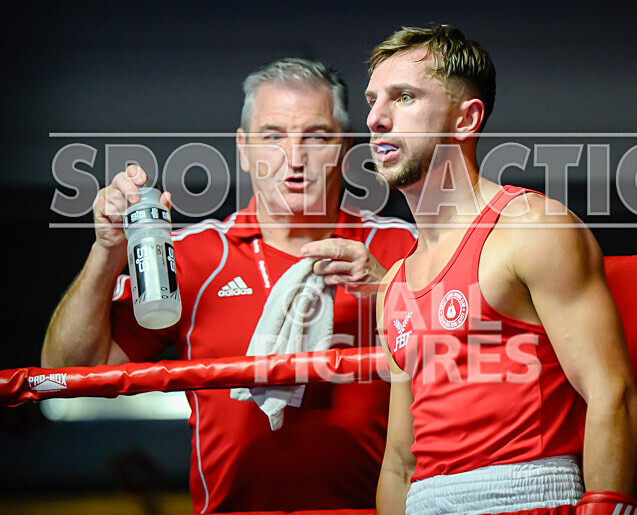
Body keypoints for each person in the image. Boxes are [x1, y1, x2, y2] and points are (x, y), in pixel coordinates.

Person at [43, 58, 416, 513]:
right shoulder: (194, 256)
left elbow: (476, 367)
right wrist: (107, 251)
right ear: (243, 148)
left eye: (316, 136)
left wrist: (390, 292)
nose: (294, 158)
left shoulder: (402, 247)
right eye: (273, 136)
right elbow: (65, 376)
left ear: (344, 147)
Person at [367, 26, 637, 514]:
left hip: (529, 497)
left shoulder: (533, 229)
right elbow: (399, 464)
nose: (375, 118)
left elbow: (611, 393)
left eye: (404, 97)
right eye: (373, 101)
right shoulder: (392, 286)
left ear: (465, 119)